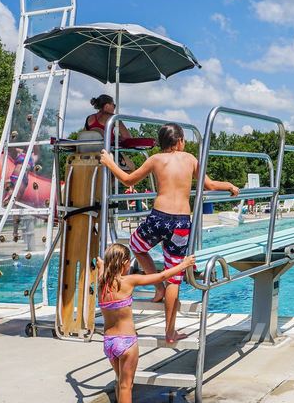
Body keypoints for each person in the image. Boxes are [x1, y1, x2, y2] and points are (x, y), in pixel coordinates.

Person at [99, 123, 239, 344]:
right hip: (181, 222)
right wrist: (230, 185)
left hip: (158, 217)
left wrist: (109, 162)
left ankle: (158, 287)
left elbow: (128, 180)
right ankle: (170, 332)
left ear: (162, 143)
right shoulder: (190, 159)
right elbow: (210, 185)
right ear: (180, 141)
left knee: (136, 246)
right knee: (174, 276)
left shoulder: (155, 159)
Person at [97, 243, 195, 403]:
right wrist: (183, 265)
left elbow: (101, 268)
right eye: (129, 262)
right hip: (126, 342)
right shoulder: (128, 281)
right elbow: (161, 277)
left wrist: (101, 265)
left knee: (120, 382)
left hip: (109, 342)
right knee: (127, 385)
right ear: (124, 263)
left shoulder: (101, 282)